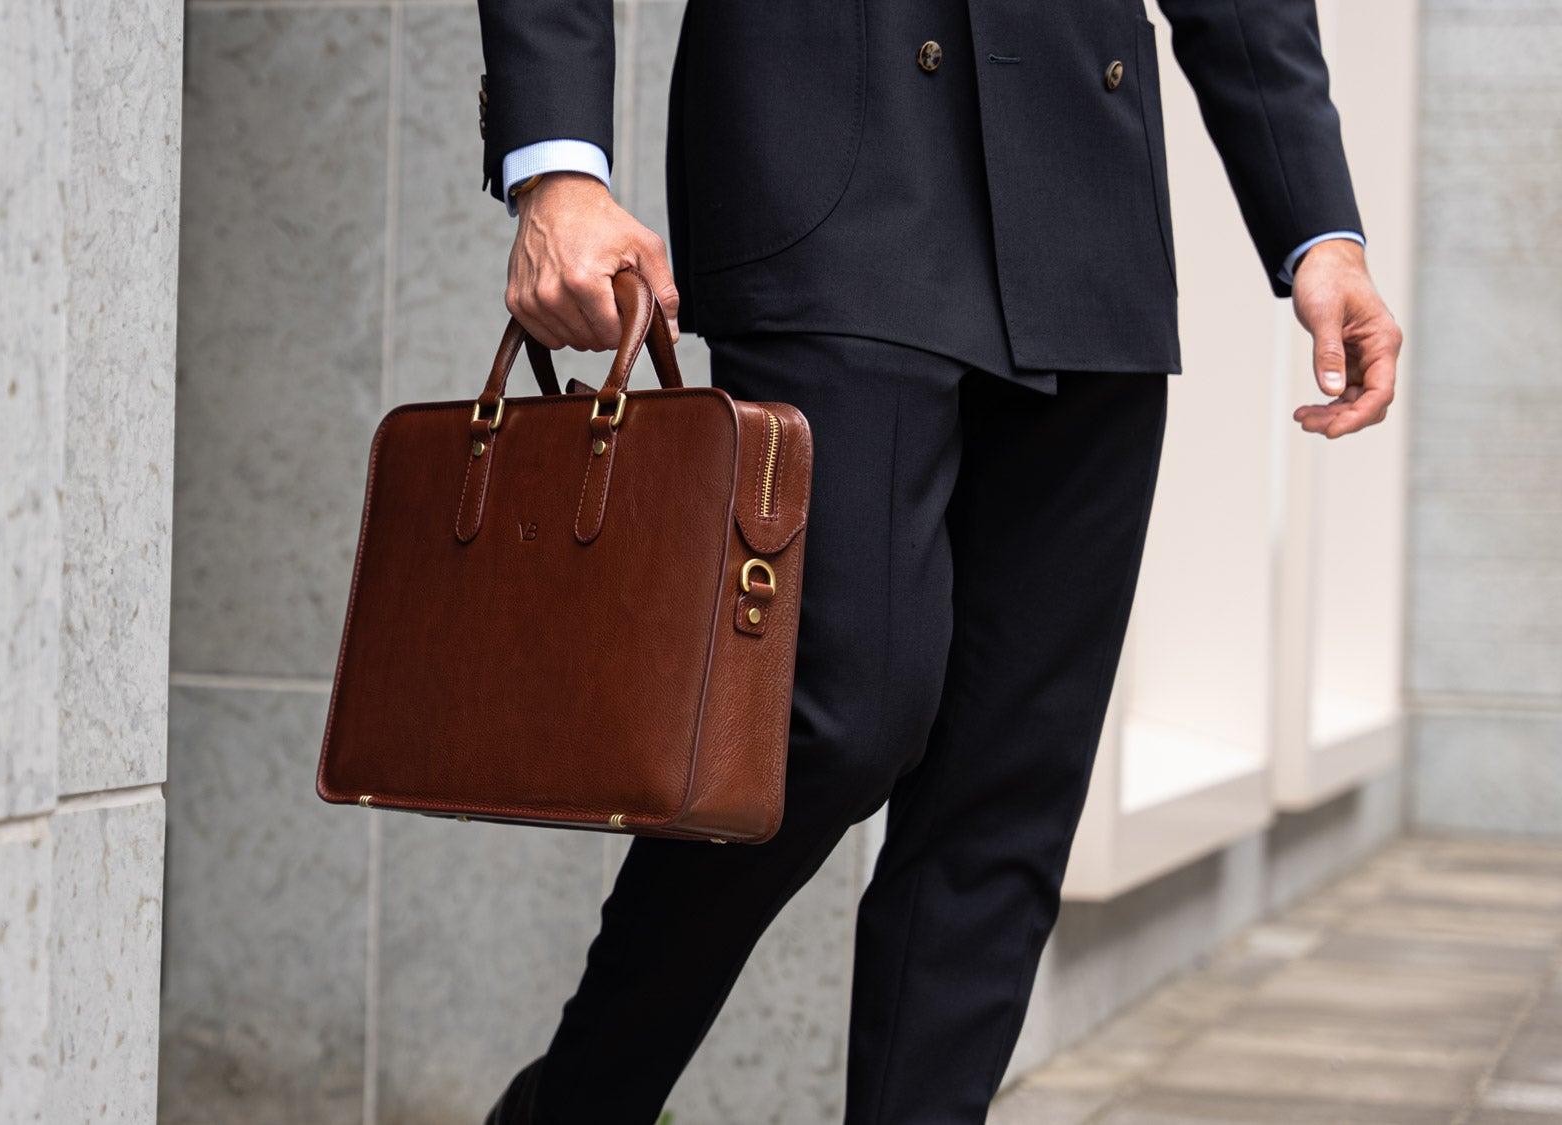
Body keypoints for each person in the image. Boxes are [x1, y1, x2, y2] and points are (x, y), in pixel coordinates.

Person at [474, 0, 1401, 1121]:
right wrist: (555, 165)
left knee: (1007, 783)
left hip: (1086, 202)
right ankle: (571, 1108)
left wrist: (1317, 225)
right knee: (829, 722)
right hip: (827, 174)